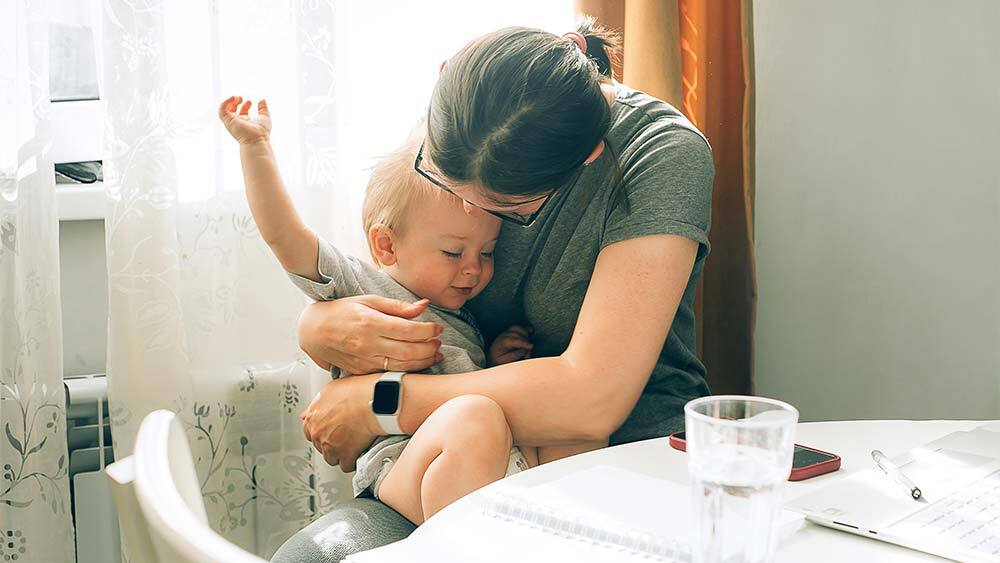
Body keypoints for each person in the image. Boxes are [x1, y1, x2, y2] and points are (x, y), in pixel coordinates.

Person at [274, 18, 714, 562]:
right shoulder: (469, 128)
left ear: (587, 158)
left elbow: (593, 399)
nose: (471, 217)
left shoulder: (660, 153)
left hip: (620, 447)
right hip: (452, 450)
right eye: (439, 178)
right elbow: (386, 274)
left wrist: (380, 402)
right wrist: (318, 326)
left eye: (502, 213)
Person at [217, 101, 603, 525]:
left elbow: (454, 378)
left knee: (580, 434)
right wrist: (256, 149)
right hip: (404, 469)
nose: (473, 268)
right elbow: (285, 237)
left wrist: (492, 359)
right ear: (386, 246)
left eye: (487, 252)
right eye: (453, 252)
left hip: (489, 461)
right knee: (476, 415)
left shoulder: (464, 314)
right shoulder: (365, 286)